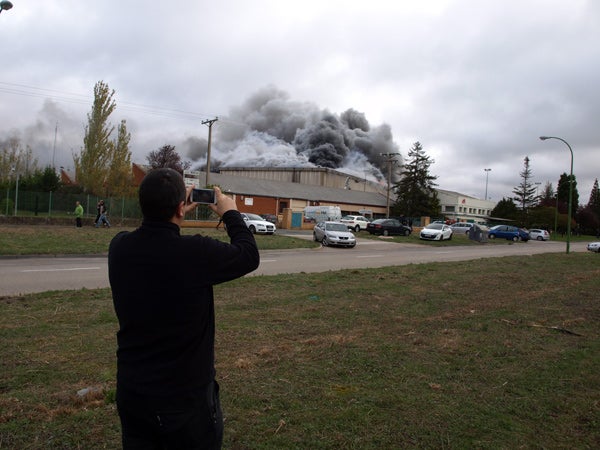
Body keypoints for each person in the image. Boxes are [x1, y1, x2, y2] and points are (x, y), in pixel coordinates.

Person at [108, 168, 260, 449]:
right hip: (184, 403)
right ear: (181, 207)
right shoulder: (196, 253)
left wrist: (175, 211)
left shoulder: (119, 248)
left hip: (134, 395)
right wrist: (230, 213)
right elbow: (249, 255)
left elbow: (154, 238)